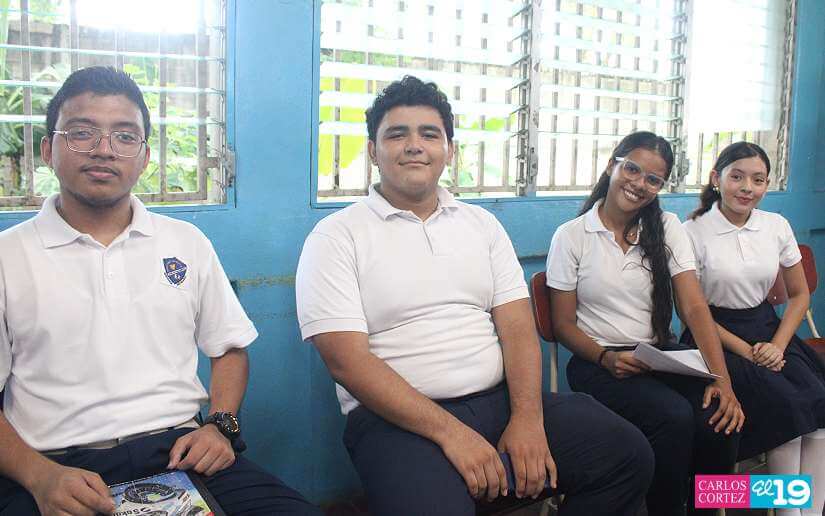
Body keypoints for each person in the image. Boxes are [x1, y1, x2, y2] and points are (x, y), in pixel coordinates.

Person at [296, 76, 654, 516]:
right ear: (373, 151)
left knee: (628, 454)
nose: (414, 146)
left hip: (499, 401)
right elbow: (346, 362)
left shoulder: (481, 226)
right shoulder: (335, 237)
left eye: (430, 134)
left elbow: (518, 328)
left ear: (450, 151)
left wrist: (527, 418)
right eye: (397, 134)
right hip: (395, 421)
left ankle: (714, 495)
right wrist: (451, 433)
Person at [0, 66, 320, 516]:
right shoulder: (9, 257)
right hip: (57, 467)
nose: (104, 149)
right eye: (82, 133)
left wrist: (220, 427)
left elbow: (229, 349)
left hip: (180, 451)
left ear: (145, 156)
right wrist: (38, 476)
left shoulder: (186, 243)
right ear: (48, 150)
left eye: (124, 136)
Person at [546, 131, 745, 516]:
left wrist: (722, 380)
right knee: (672, 416)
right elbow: (563, 324)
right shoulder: (571, 236)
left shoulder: (667, 226)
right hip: (598, 362)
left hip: (658, 356)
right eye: (632, 169)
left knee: (721, 416)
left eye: (653, 179)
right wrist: (605, 358)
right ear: (612, 166)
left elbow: (693, 307)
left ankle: (708, 508)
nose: (639, 183)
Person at [682, 141, 825, 516]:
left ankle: (809, 510)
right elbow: (693, 312)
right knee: (786, 407)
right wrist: (748, 352)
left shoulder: (775, 225)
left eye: (758, 180)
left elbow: (799, 295)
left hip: (767, 329)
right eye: (737, 177)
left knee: (817, 399)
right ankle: (787, 510)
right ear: (716, 179)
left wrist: (777, 345)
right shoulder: (691, 231)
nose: (747, 187)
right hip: (713, 335)